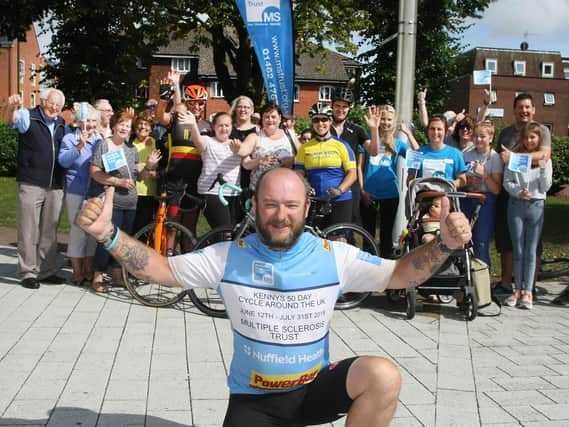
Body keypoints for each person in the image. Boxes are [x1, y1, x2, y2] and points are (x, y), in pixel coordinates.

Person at [76, 167, 472, 427]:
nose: (280, 215)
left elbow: (400, 274)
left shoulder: (332, 257)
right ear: (254, 206)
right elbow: (161, 269)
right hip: (254, 403)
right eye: (270, 205)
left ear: (306, 209)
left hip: (313, 389)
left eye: (290, 205)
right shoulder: (230, 256)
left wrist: (445, 246)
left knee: (382, 375)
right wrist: (106, 234)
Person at [88, 110, 161, 292]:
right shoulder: (103, 145)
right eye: (121, 124)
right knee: (106, 239)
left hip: (130, 203)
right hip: (110, 202)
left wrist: (150, 165)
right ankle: (97, 276)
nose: (124, 128)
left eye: (128, 126)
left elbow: (140, 176)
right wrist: (117, 181)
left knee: (122, 242)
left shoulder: (131, 149)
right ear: (114, 125)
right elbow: (94, 172)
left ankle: (117, 275)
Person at [4, 89, 69, 289]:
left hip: (55, 184)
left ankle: (47, 271)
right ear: (42, 101)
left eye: (58, 105)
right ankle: (28, 272)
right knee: (28, 230)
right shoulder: (28, 116)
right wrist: (10, 106)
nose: (54, 108)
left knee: (50, 231)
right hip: (32, 182)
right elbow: (9, 120)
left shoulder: (61, 124)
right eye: (52, 103)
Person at [494, 93, 551, 295]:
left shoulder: (542, 130)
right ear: (514, 110)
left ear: (534, 109)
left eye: (527, 107)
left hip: (534, 197)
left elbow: (543, 156)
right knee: (507, 241)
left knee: (532, 245)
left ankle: (530, 286)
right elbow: (500, 158)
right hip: (509, 193)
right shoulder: (506, 133)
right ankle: (507, 283)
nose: (524, 111)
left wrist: (514, 157)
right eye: (520, 107)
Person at [503, 122, 552, 309]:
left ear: (539, 139)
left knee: (531, 250)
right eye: (526, 137)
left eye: (533, 137)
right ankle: (516, 290)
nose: (529, 140)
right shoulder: (515, 159)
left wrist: (541, 169)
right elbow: (507, 181)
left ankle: (528, 291)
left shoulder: (545, 160)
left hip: (536, 205)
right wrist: (517, 192)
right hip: (516, 205)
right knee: (518, 249)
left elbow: (545, 187)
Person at [359, 105, 418, 257]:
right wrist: (362, 190)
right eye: (383, 119)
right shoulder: (367, 140)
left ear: (394, 122)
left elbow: (417, 153)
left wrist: (407, 132)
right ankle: (367, 264)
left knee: (386, 234)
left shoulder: (398, 143)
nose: (385, 122)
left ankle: (384, 264)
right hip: (369, 192)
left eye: (389, 119)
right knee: (367, 233)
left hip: (390, 192)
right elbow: (358, 167)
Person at [58, 102, 103, 286]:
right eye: (86, 120)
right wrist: (79, 146)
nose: (90, 124)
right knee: (77, 231)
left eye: (93, 121)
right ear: (78, 122)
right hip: (76, 191)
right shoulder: (70, 138)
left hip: (95, 192)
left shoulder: (101, 140)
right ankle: (77, 272)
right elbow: (63, 161)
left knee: (92, 232)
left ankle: (88, 268)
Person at [295, 104, 356, 228]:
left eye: (324, 119)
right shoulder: (305, 148)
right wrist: (305, 186)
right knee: (315, 242)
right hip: (315, 200)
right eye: (316, 120)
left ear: (330, 121)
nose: (320, 123)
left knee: (339, 241)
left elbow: (352, 173)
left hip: (340, 199)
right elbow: (299, 172)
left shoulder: (342, 145)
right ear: (312, 123)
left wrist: (339, 190)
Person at [329, 87, 376, 225]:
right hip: (329, 180)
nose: (340, 110)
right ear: (331, 105)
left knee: (349, 225)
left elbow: (373, 151)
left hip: (350, 183)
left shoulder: (356, 130)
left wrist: (373, 130)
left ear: (350, 108)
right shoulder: (323, 126)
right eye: (337, 106)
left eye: (344, 107)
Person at [461, 121, 503, 267]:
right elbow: (461, 178)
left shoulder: (495, 158)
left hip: (486, 202)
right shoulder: (466, 154)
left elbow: (496, 189)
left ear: (490, 138)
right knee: (463, 240)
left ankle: (482, 281)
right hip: (467, 199)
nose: (478, 139)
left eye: (482, 136)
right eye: (476, 136)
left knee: (481, 242)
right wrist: (469, 182)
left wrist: (484, 175)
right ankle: (465, 278)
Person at [192, 112, 242, 228]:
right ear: (213, 127)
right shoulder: (207, 140)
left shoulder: (237, 144)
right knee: (224, 232)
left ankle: (212, 245)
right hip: (211, 192)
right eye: (220, 125)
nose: (224, 128)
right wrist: (192, 124)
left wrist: (260, 159)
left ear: (231, 127)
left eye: (227, 125)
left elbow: (247, 163)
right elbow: (197, 140)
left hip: (233, 192)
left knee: (232, 232)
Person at [236, 102, 295, 191]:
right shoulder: (254, 137)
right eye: (266, 117)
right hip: (259, 189)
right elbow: (245, 164)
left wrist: (291, 160)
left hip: (284, 189)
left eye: (273, 117)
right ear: (262, 119)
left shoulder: (289, 135)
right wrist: (259, 160)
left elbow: (303, 155)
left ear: (279, 118)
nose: (270, 120)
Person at [407, 115, 467, 189]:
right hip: (423, 197)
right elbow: (409, 181)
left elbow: (463, 180)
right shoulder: (415, 154)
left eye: (439, 129)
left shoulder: (456, 153)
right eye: (432, 129)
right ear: (428, 131)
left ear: (445, 132)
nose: (435, 132)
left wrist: (446, 186)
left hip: (446, 196)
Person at [132, 111, 160, 233]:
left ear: (151, 128)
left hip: (151, 192)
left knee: (147, 230)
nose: (143, 127)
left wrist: (156, 173)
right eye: (140, 124)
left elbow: (163, 168)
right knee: (133, 228)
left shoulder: (156, 143)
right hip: (133, 192)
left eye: (146, 124)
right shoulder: (130, 143)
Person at [229, 95, 258, 192]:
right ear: (235, 109)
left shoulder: (258, 130)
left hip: (249, 175)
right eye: (240, 107)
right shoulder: (228, 129)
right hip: (229, 173)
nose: (243, 110)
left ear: (252, 110)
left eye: (246, 107)